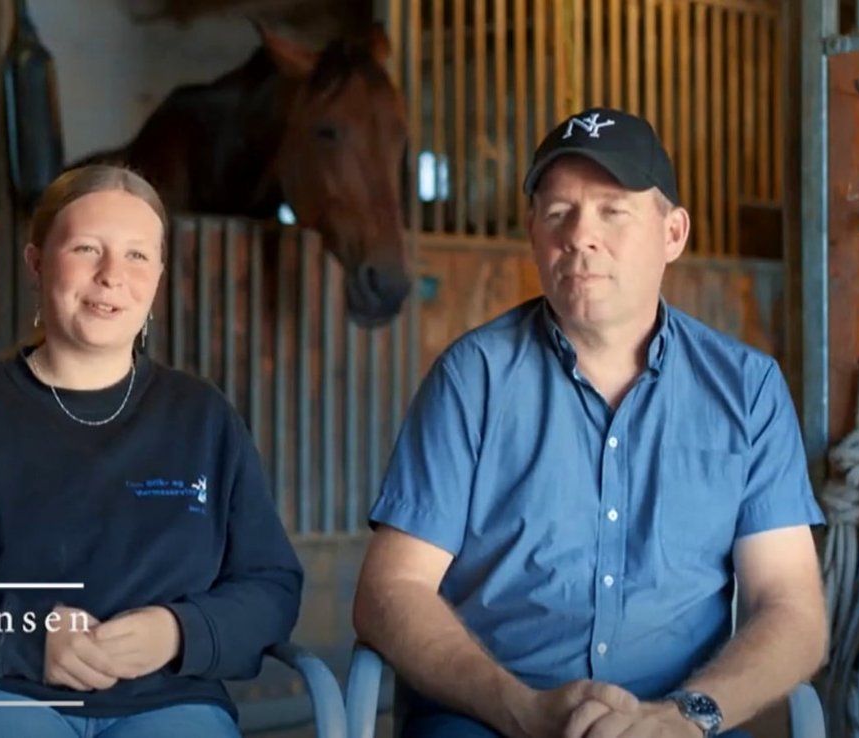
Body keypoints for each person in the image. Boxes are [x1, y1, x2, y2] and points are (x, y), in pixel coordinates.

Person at [352, 108, 827, 738]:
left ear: (674, 233)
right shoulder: (474, 379)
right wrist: (519, 709)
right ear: (534, 234)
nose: (580, 236)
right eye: (558, 213)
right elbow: (391, 591)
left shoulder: (747, 390)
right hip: (492, 718)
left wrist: (686, 718)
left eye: (612, 210)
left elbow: (791, 607)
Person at [0, 164, 303, 738]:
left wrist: (180, 631)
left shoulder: (203, 419)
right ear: (37, 262)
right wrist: (25, 638)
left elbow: (270, 585)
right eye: (86, 248)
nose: (112, 276)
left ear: (157, 275)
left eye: (136, 256)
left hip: (167, 704)